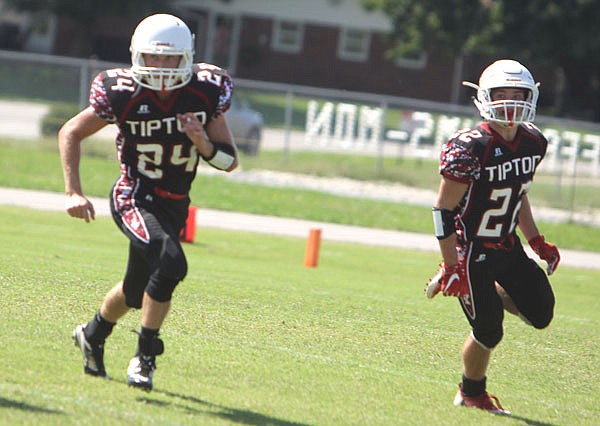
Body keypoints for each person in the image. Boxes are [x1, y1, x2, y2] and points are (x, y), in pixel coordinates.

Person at [59, 13, 238, 391]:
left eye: (169, 59)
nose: (160, 67)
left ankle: (92, 334)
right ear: (138, 56)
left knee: (135, 291)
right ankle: (145, 356)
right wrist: (73, 190)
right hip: (134, 196)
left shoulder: (205, 92)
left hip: (175, 203)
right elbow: (71, 132)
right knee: (171, 263)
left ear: (185, 58)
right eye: (153, 58)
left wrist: (201, 141)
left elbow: (229, 161)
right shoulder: (121, 91)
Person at [426, 59, 560, 414]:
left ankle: (491, 290)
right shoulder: (469, 147)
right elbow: (443, 210)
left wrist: (535, 240)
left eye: (518, 95)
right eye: (502, 95)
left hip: (507, 244)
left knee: (541, 314)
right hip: (470, 249)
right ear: (484, 97)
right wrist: (451, 263)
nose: (510, 102)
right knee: (489, 330)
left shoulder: (534, 141)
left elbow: (519, 194)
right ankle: (471, 393)